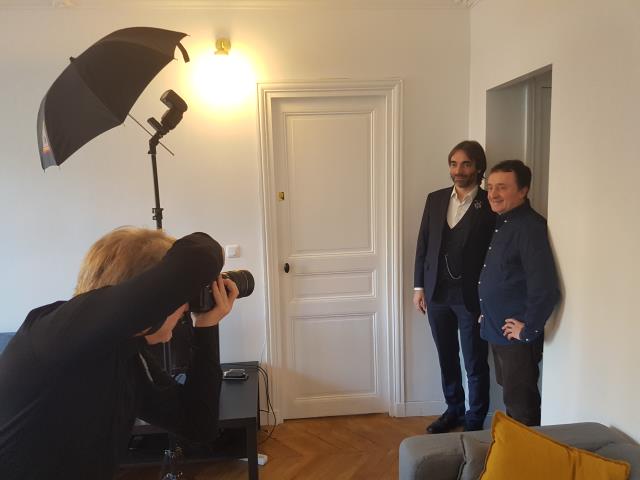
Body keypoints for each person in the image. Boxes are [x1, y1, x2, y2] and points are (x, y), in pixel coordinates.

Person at [0, 227, 239, 479]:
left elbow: (198, 424)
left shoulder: (128, 354)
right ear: (150, 297)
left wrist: (206, 324)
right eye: (183, 297)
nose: (184, 309)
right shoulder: (55, 333)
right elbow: (200, 255)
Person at [413, 140, 495, 433]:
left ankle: (475, 419)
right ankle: (454, 410)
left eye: (466, 164)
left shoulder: (489, 203)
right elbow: (423, 244)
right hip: (436, 294)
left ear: (478, 167)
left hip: (470, 297)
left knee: (474, 361)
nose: (458, 170)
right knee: (446, 356)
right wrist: (418, 288)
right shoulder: (435, 199)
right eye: (453, 163)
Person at [479, 160, 560, 426]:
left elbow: (546, 288)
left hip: (517, 339)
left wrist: (528, 330)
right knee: (511, 397)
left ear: (523, 190)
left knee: (522, 406)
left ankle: (530, 462)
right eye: (490, 187)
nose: (492, 194)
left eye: (501, 187)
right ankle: (515, 455)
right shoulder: (503, 222)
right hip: (498, 329)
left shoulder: (529, 227)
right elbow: (507, 277)